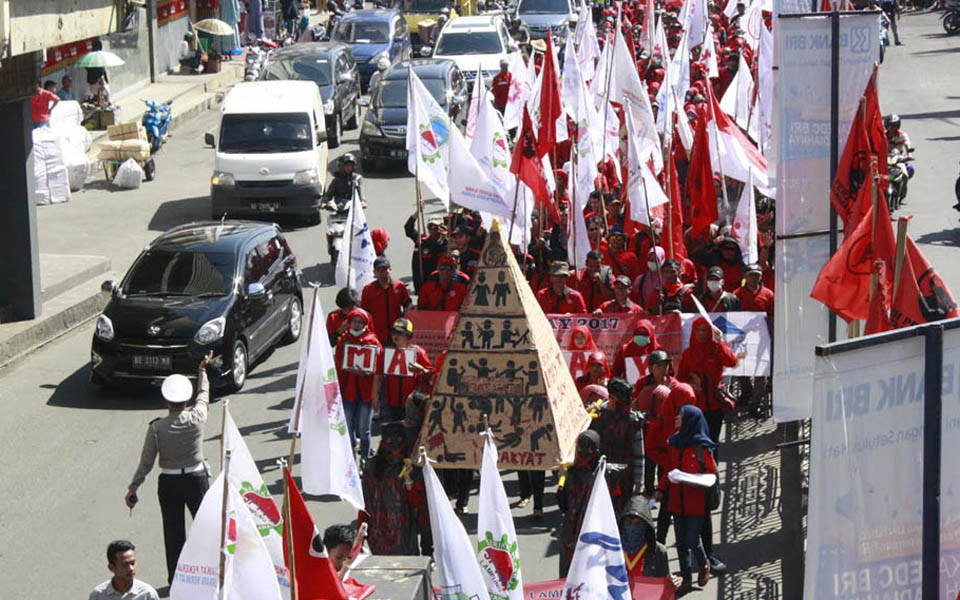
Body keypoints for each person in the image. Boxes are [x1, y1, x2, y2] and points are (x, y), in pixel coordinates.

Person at [125, 353, 214, 584]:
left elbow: (146, 462)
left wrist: (133, 488)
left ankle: (176, 580)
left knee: (173, 534)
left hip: (169, 484)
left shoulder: (157, 428)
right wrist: (202, 371)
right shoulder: (197, 418)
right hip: (197, 478)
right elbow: (204, 396)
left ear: (167, 402)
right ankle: (212, 572)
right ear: (186, 401)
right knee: (206, 528)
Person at [656, 405, 718, 592]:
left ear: (690, 421)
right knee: (681, 543)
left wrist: (692, 479)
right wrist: (661, 488)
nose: (676, 418)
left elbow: (711, 472)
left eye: (680, 416)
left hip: (695, 503)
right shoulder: (674, 443)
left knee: (691, 539)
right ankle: (686, 579)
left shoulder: (702, 448)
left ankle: (703, 562)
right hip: (676, 501)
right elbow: (668, 469)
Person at [360, 421, 427, 555]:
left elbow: (416, 502)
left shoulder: (411, 468)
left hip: (404, 534)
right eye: (390, 440)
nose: (394, 446)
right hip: (378, 533)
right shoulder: (372, 468)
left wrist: (408, 479)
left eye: (398, 440)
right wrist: (360, 536)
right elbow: (364, 504)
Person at [677, 317, 740, 446]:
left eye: (705, 330)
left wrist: (720, 342)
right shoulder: (688, 354)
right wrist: (692, 384)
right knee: (697, 442)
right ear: (694, 332)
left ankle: (712, 466)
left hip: (715, 405)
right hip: (695, 406)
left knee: (712, 442)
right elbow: (680, 379)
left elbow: (732, 362)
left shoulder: (716, 349)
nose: (702, 333)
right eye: (698, 330)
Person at [590, 378, 645, 514]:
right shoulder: (598, 416)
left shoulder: (633, 421)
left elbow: (639, 455)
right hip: (601, 477)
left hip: (625, 480)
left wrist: (639, 485)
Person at [334, 309, 383, 460]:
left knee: (364, 429)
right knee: (348, 428)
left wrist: (374, 393)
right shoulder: (343, 340)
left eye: (360, 322)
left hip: (365, 393)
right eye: (354, 321)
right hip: (348, 392)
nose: (356, 325)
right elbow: (337, 365)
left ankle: (365, 460)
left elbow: (378, 369)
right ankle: (350, 459)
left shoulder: (373, 342)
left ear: (365, 323)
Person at [373, 318, 432, 422]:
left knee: (410, 433)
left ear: (408, 336)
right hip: (390, 404)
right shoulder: (385, 353)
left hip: (412, 403)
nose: (396, 336)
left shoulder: (419, 352)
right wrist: (375, 396)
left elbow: (431, 376)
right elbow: (378, 375)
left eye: (400, 333)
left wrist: (421, 370)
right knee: (390, 433)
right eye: (394, 333)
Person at [361, 256, 412, 345]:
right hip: (376, 334)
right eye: (379, 270)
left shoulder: (399, 286)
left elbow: (408, 303)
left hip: (397, 334)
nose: (382, 272)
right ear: (374, 272)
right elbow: (364, 312)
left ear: (390, 270)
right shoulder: (368, 289)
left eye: (385, 269)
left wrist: (404, 318)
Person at [618, 495, 671, 578]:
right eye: (628, 522)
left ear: (646, 526)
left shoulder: (659, 552)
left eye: (637, 524)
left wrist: (672, 583)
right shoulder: (611, 548)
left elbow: (662, 586)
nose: (632, 528)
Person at [89, 540, 159, 600]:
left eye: (133, 563)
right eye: (125, 565)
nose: (131, 568)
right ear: (111, 568)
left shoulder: (147, 594)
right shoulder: (98, 596)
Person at [405, 206, 448, 293]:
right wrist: (418, 211)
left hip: (441, 285)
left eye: (436, 228)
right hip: (424, 285)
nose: (433, 231)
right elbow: (408, 229)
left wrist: (446, 238)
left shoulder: (447, 244)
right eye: (430, 228)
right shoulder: (422, 242)